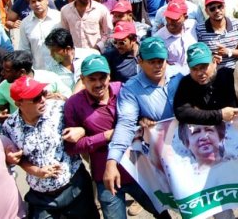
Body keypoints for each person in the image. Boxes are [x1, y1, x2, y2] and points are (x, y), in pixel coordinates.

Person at [64, 55, 166, 219]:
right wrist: (104, 136)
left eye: (102, 78)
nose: (98, 84)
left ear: (109, 76)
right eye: (92, 79)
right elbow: (71, 148)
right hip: (106, 177)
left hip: (138, 171)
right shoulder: (73, 104)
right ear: (82, 79)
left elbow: (143, 115)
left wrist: (143, 119)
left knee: (162, 212)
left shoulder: (123, 89)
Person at [1, 76, 99, 218]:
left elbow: (91, 121)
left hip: (75, 186)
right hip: (41, 196)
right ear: (18, 103)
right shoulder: (10, 126)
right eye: (35, 98)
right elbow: (18, 158)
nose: (42, 100)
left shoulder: (60, 109)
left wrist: (82, 130)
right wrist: (35, 170)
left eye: (43, 93)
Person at [103, 37, 178, 199]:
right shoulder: (131, 89)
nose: (158, 66)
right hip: (162, 154)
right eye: (152, 62)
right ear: (140, 61)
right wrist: (112, 161)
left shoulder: (180, 74)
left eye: (161, 61)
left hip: (191, 147)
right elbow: (125, 125)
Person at [0, 50, 71, 122]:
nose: (2, 73)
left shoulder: (50, 77)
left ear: (22, 72)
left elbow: (70, 97)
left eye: (7, 70)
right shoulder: (4, 86)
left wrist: (59, 97)